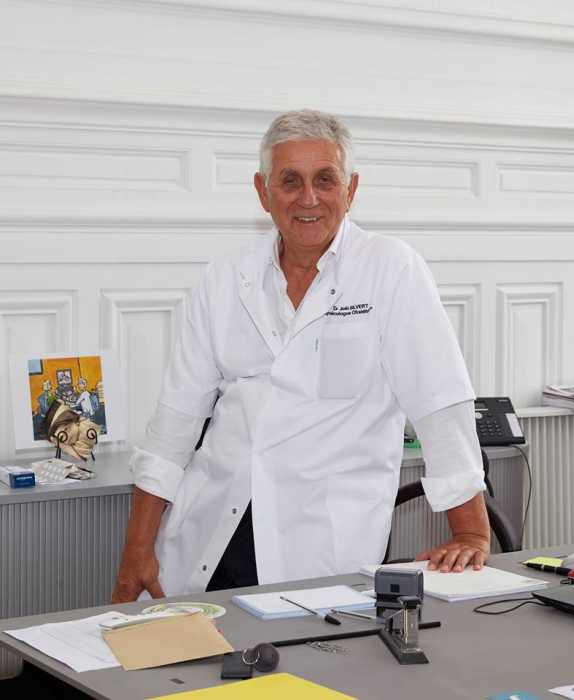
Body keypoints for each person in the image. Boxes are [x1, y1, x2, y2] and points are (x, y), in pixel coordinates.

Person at [112, 109, 490, 602]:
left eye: (325, 180)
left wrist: (471, 532)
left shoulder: (391, 269)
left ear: (351, 189)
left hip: (320, 544)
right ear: (263, 191)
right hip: (211, 530)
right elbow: (175, 421)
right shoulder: (225, 277)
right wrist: (137, 549)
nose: (308, 198)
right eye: (290, 181)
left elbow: (439, 402)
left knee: (305, 648)